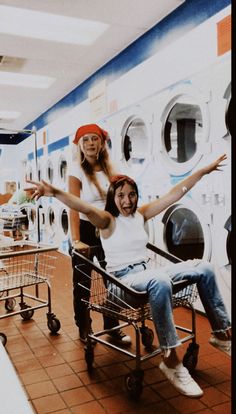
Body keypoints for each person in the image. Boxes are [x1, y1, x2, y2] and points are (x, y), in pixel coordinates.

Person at [27, 153, 231, 399]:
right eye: (121, 195)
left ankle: (221, 334)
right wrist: (54, 192)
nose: (127, 200)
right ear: (113, 197)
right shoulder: (107, 221)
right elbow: (83, 207)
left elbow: (175, 193)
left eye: (131, 194)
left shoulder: (141, 214)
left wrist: (203, 171)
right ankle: (171, 360)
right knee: (160, 281)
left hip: (147, 274)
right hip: (121, 285)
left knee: (204, 268)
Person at [68, 123, 131, 345]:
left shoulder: (111, 169)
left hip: (108, 231)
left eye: (94, 138)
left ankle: (112, 326)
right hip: (84, 231)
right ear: (80, 146)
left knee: (113, 281)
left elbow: (120, 201)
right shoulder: (76, 170)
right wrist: (76, 240)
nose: (90, 143)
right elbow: (73, 207)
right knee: (82, 283)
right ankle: (84, 327)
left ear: (102, 142)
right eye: (85, 140)